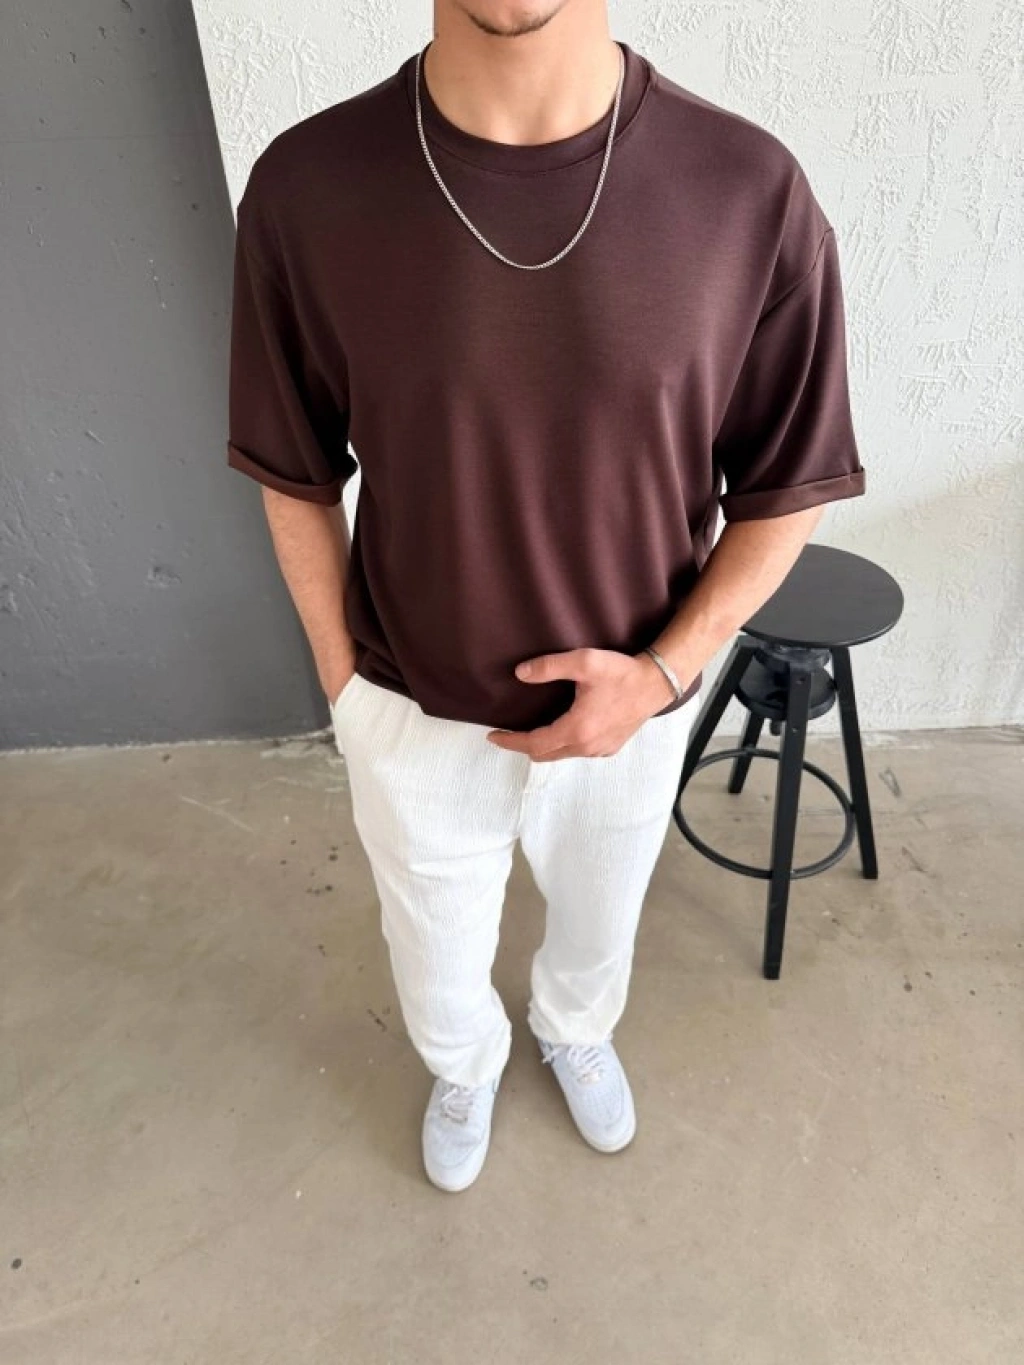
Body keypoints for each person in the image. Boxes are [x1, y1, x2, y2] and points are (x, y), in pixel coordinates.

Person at [226, 0, 866, 1193]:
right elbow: (291, 469)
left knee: (599, 924)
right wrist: (343, 684)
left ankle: (574, 1030)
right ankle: (461, 1061)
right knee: (432, 942)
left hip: (637, 697)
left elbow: (789, 483)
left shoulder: (744, 190)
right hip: (408, 698)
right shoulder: (309, 188)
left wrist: (666, 674)